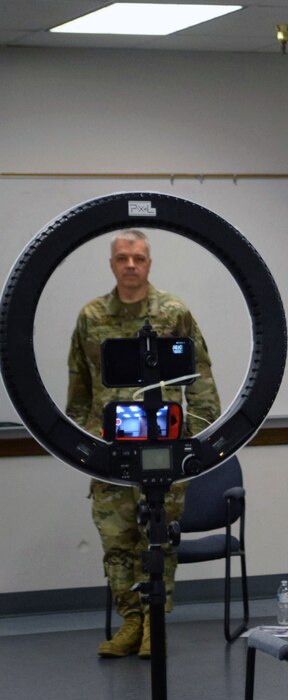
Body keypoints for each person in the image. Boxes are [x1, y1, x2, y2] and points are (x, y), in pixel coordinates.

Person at [66, 229, 221, 658]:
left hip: (163, 444)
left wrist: (201, 441)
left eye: (138, 258)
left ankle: (155, 625)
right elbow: (78, 387)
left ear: (149, 264)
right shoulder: (91, 316)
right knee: (116, 540)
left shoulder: (174, 312)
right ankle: (130, 623)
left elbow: (201, 378)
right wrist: (80, 445)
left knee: (157, 538)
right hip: (108, 450)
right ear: (112, 264)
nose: (130, 265)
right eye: (122, 258)